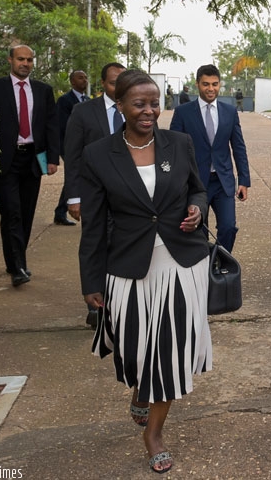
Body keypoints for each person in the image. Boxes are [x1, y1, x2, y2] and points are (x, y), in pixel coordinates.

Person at [78, 70, 211, 474]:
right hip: (128, 265)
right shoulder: (99, 154)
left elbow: (198, 189)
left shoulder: (179, 143)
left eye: (154, 102)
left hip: (180, 262)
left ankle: (153, 433)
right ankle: (140, 387)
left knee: (169, 353)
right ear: (119, 106)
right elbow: (94, 224)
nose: (149, 110)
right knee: (136, 350)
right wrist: (91, 281)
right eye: (139, 103)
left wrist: (197, 209)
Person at [0, 45, 59, 286]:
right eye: (20, 59)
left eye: (29, 60)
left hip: (32, 160)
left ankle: (16, 260)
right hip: (5, 160)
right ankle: (18, 267)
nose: (25, 63)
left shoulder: (43, 90)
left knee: (26, 214)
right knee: (12, 212)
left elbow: (51, 125)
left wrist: (53, 159)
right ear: (10, 60)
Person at [63, 62, 126, 328]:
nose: (118, 87)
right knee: (94, 245)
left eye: (122, 82)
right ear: (103, 84)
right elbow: (73, 156)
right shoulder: (83, 112)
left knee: (122, 246)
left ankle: (120, 302)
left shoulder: (134, 110)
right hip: (94, 194)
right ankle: (95, 305)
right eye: (113, 83)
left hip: (127, 195)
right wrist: (73, 197)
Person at [170, 64, 250, 251]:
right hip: (195, 184)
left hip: (223, 182)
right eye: (206, 84)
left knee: (228, 227)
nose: (211, 88)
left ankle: (220, 261)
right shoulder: (183, 113)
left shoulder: (229, 112)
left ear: (219, 84)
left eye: (214, 84)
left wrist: (244, 180)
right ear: (197, 84)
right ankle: (203, 266)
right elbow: (173, 149)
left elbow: (238, 147)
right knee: (198, 230)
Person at [53, 69, 88, 226]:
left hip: (85, 146)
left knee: (75, 178)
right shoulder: (65, 101)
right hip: (69, 146)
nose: (85, 80)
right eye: (81, 78)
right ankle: (62, 211)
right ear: (72, 82)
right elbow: (62, 126)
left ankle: (60, 212)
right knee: (74, 176)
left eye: (86, 78)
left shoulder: (87, 100)